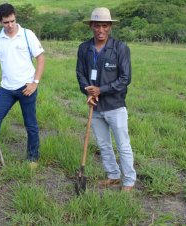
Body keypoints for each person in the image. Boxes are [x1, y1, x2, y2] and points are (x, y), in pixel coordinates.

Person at [0, 3, 45, 170]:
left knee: (30, 123)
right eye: (6, 22)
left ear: (15, 16)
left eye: (12, 21)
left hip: (27, 87)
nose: (10, 25)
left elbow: (40, 58)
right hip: (6, 89)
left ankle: (33, 158)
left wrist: (35, 83)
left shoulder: (27, 34)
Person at [76, 7, 136, 191]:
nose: (100, 30)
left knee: (123, 145)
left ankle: (129, 181)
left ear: (110, 27)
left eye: (104, 26)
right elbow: (80, 73)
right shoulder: (84, 48)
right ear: (91, 26)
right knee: (103, 144)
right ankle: (113, 175)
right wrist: (88, 92)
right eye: (97, 26)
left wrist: (100, 90)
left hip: (115, 106)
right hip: (95, 106)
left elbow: (125, 79)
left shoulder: (120, 48)